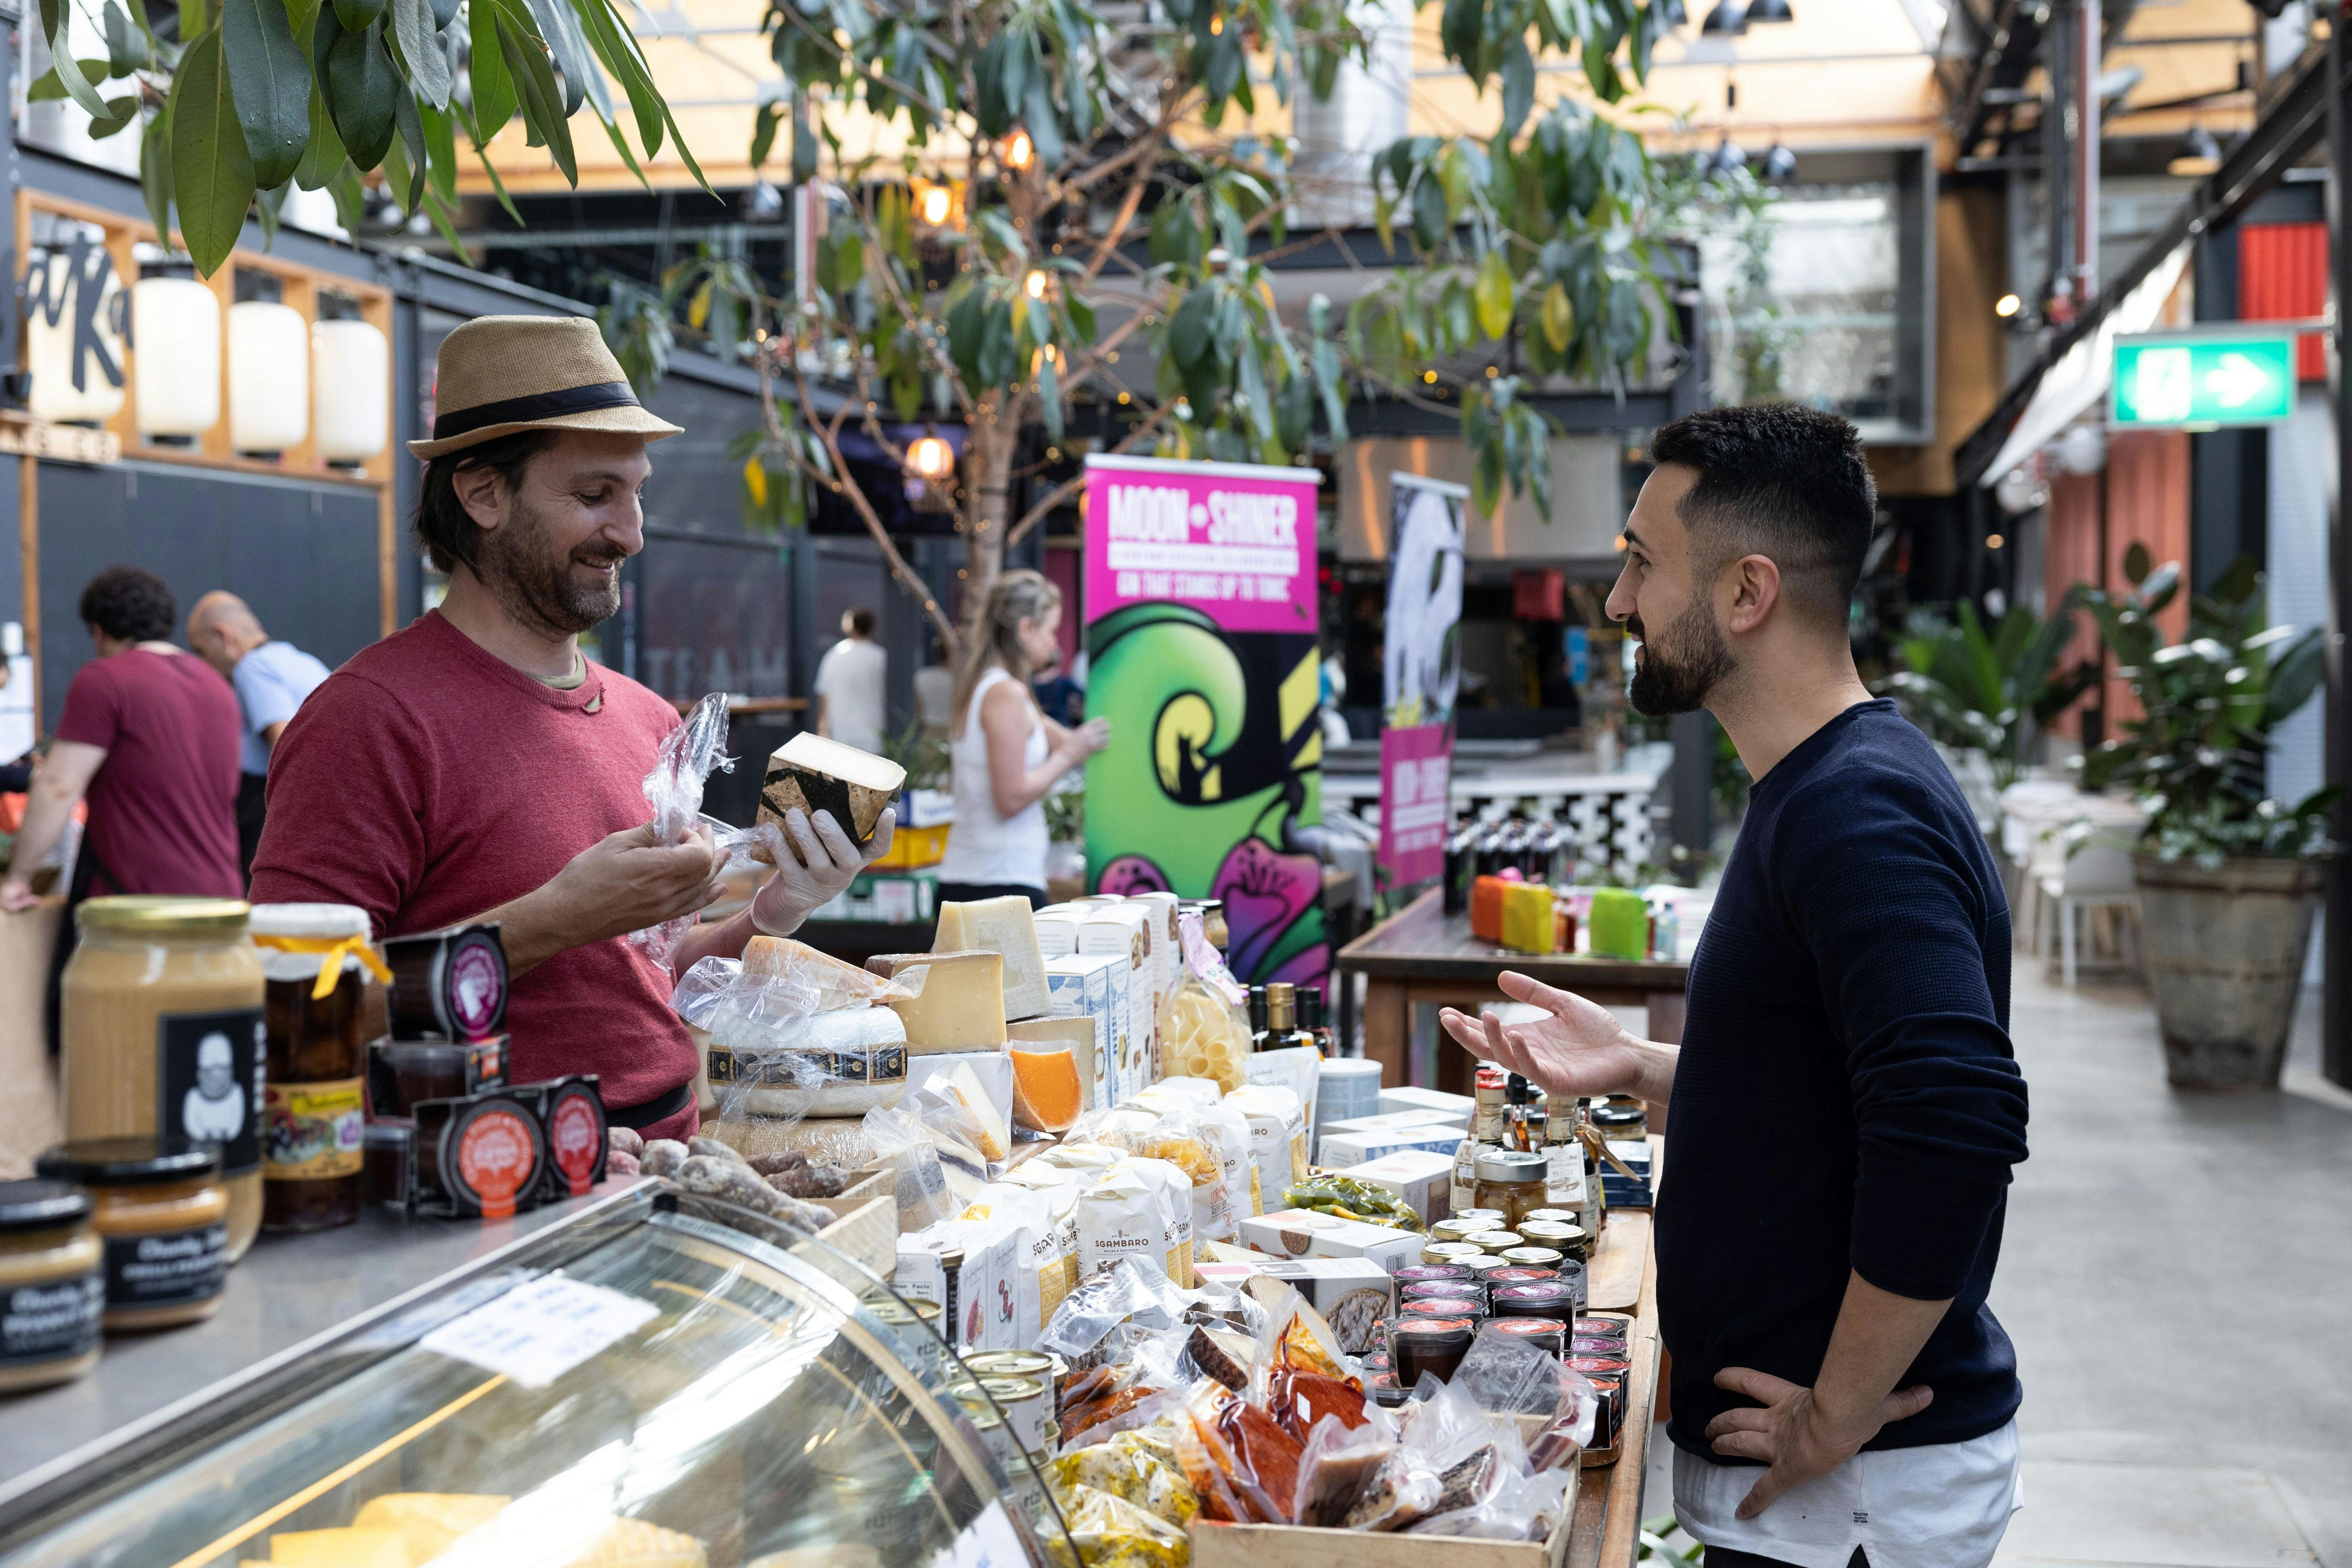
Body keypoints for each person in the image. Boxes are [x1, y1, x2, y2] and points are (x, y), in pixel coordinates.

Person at [1441, 406, 2030, 1568]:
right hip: (1817, 1497)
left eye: (1642, 563)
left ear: (1748, 593)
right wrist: (1649, 1068)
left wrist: (1841, 1408)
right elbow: (1829, 1089)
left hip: (1846, 1499)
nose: (1618, 602)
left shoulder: (1854, 809)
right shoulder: (1823, 786)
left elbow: (1954, 1120)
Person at [250, 315, 894, 1144]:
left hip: (666, 1168)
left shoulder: (646, 715)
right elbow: (298, 1009)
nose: (630, 532)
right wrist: (550, 917)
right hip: (484, 1192)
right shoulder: (366, 718)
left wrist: (775, 912)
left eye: (635, 493)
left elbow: (643, 977)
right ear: (482, 492)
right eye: (594, 496)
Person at [0, 566, 244, 1046]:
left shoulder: (105, 680)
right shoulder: (217, 686)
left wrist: (18, 879)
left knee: (110, 1060)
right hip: (220, 906)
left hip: (135, 912)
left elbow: (56, 788)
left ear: (98, 629)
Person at [935, 570, 1107, 908]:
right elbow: (1011, 799)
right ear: (1026, 629)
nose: (1055, 644)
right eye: (1051, 630)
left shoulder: (998, 688)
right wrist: (1071, 753)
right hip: (996, 883)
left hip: (986, 880)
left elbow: (1065, 739)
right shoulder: (1006, 694)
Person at [186, 591, 332, 883]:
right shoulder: (303, 663)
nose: (203, 664)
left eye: (201, 651)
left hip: (270, 819)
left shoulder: (252, 668)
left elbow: (288, 747)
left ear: (224, 636)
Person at [813, 606, 888, 753]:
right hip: (872, 733)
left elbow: (824, 694)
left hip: (841, 733)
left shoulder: (834, 655)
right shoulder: (880, 656)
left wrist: (822, 728)